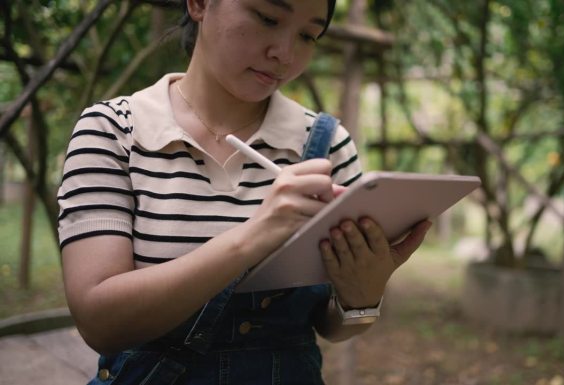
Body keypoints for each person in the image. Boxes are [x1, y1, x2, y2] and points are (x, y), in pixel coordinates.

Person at [57, 0, 431, 383]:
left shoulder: (326, 146)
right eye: (267, 19)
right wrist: (256, 234)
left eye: (307, 35)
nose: (284, 54)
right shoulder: (113, 131)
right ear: (200, 4)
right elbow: (99, 323)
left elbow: (332, 326)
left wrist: (362, 297)